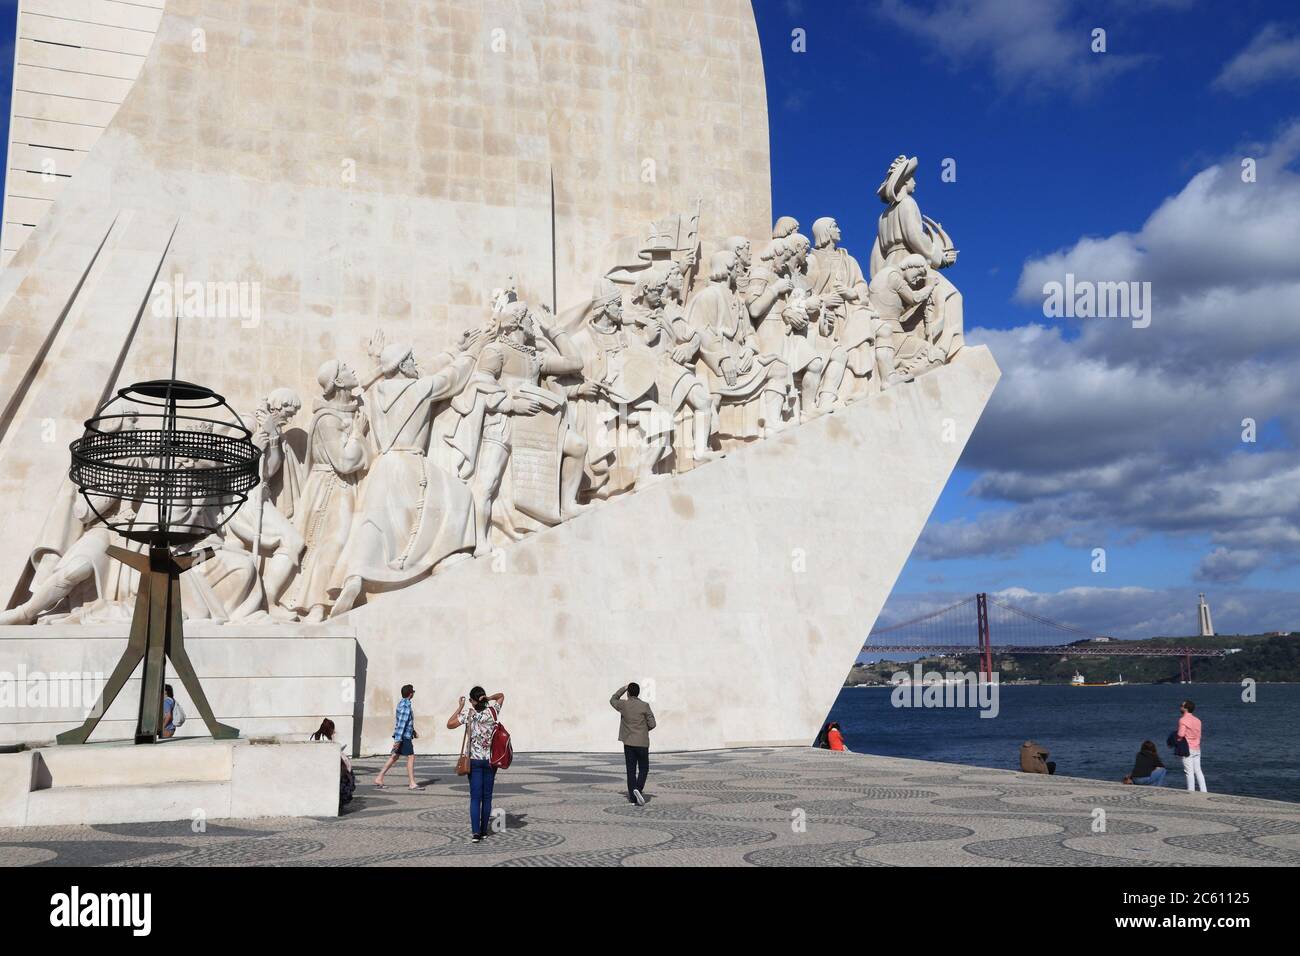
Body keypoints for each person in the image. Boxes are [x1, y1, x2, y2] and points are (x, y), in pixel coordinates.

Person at [447, 686, 505, 842]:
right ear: (483, 699)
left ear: (472, 701)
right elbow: (501, 696)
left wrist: (459, 707)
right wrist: (489, 697)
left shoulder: (468, 714)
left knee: (475, 798)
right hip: (490, 761)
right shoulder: (492, 712)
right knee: (487, 798)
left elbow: (450, 724)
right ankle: (484, 831)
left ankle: (476, 833)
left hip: (474, 761)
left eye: (471, 700)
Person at [610, 683, 656, 806]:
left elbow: (613, 699)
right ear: (638, 693)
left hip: (629, 742)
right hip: (642, 743)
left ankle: (633, 796)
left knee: (631, 770)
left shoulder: (624, 705)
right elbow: (652, 724)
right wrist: (643, 730)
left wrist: (623, 688)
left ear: (628, 693)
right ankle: (638, 788)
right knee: (644, 768)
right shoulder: (644, 706)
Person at [375, 684, 422, 790]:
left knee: (395, 756)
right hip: (404, 737)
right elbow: (402, 722)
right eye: (413, 692)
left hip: (404, 735)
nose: (413, 693)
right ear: (410, 694)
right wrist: (398, 740)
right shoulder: (406, 705)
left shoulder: (402, 703)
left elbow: (405, 721)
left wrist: (413, 731)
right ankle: (412, 783)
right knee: (411, 757)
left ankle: (379, 777)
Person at [312, 717, 355, 808]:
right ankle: (341, 800)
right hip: (326, 765)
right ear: (330, 729)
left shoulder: (313, 736)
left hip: (317, 764)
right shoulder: (327, 740)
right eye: (333, 729)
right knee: (347, 775)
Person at [1175, 699, 1207, 792]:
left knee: (1189, 772)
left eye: (1182, 705)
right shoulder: (1198, 720)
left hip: (1187, 748)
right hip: (1197, 748)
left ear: (1186, 708)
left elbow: (1181, 734)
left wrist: (1176, 739)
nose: (1180, 706)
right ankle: (1204, 791)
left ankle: (1191, 791)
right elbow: (1199, 735)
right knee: (1198, 770)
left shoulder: (1183, 720)